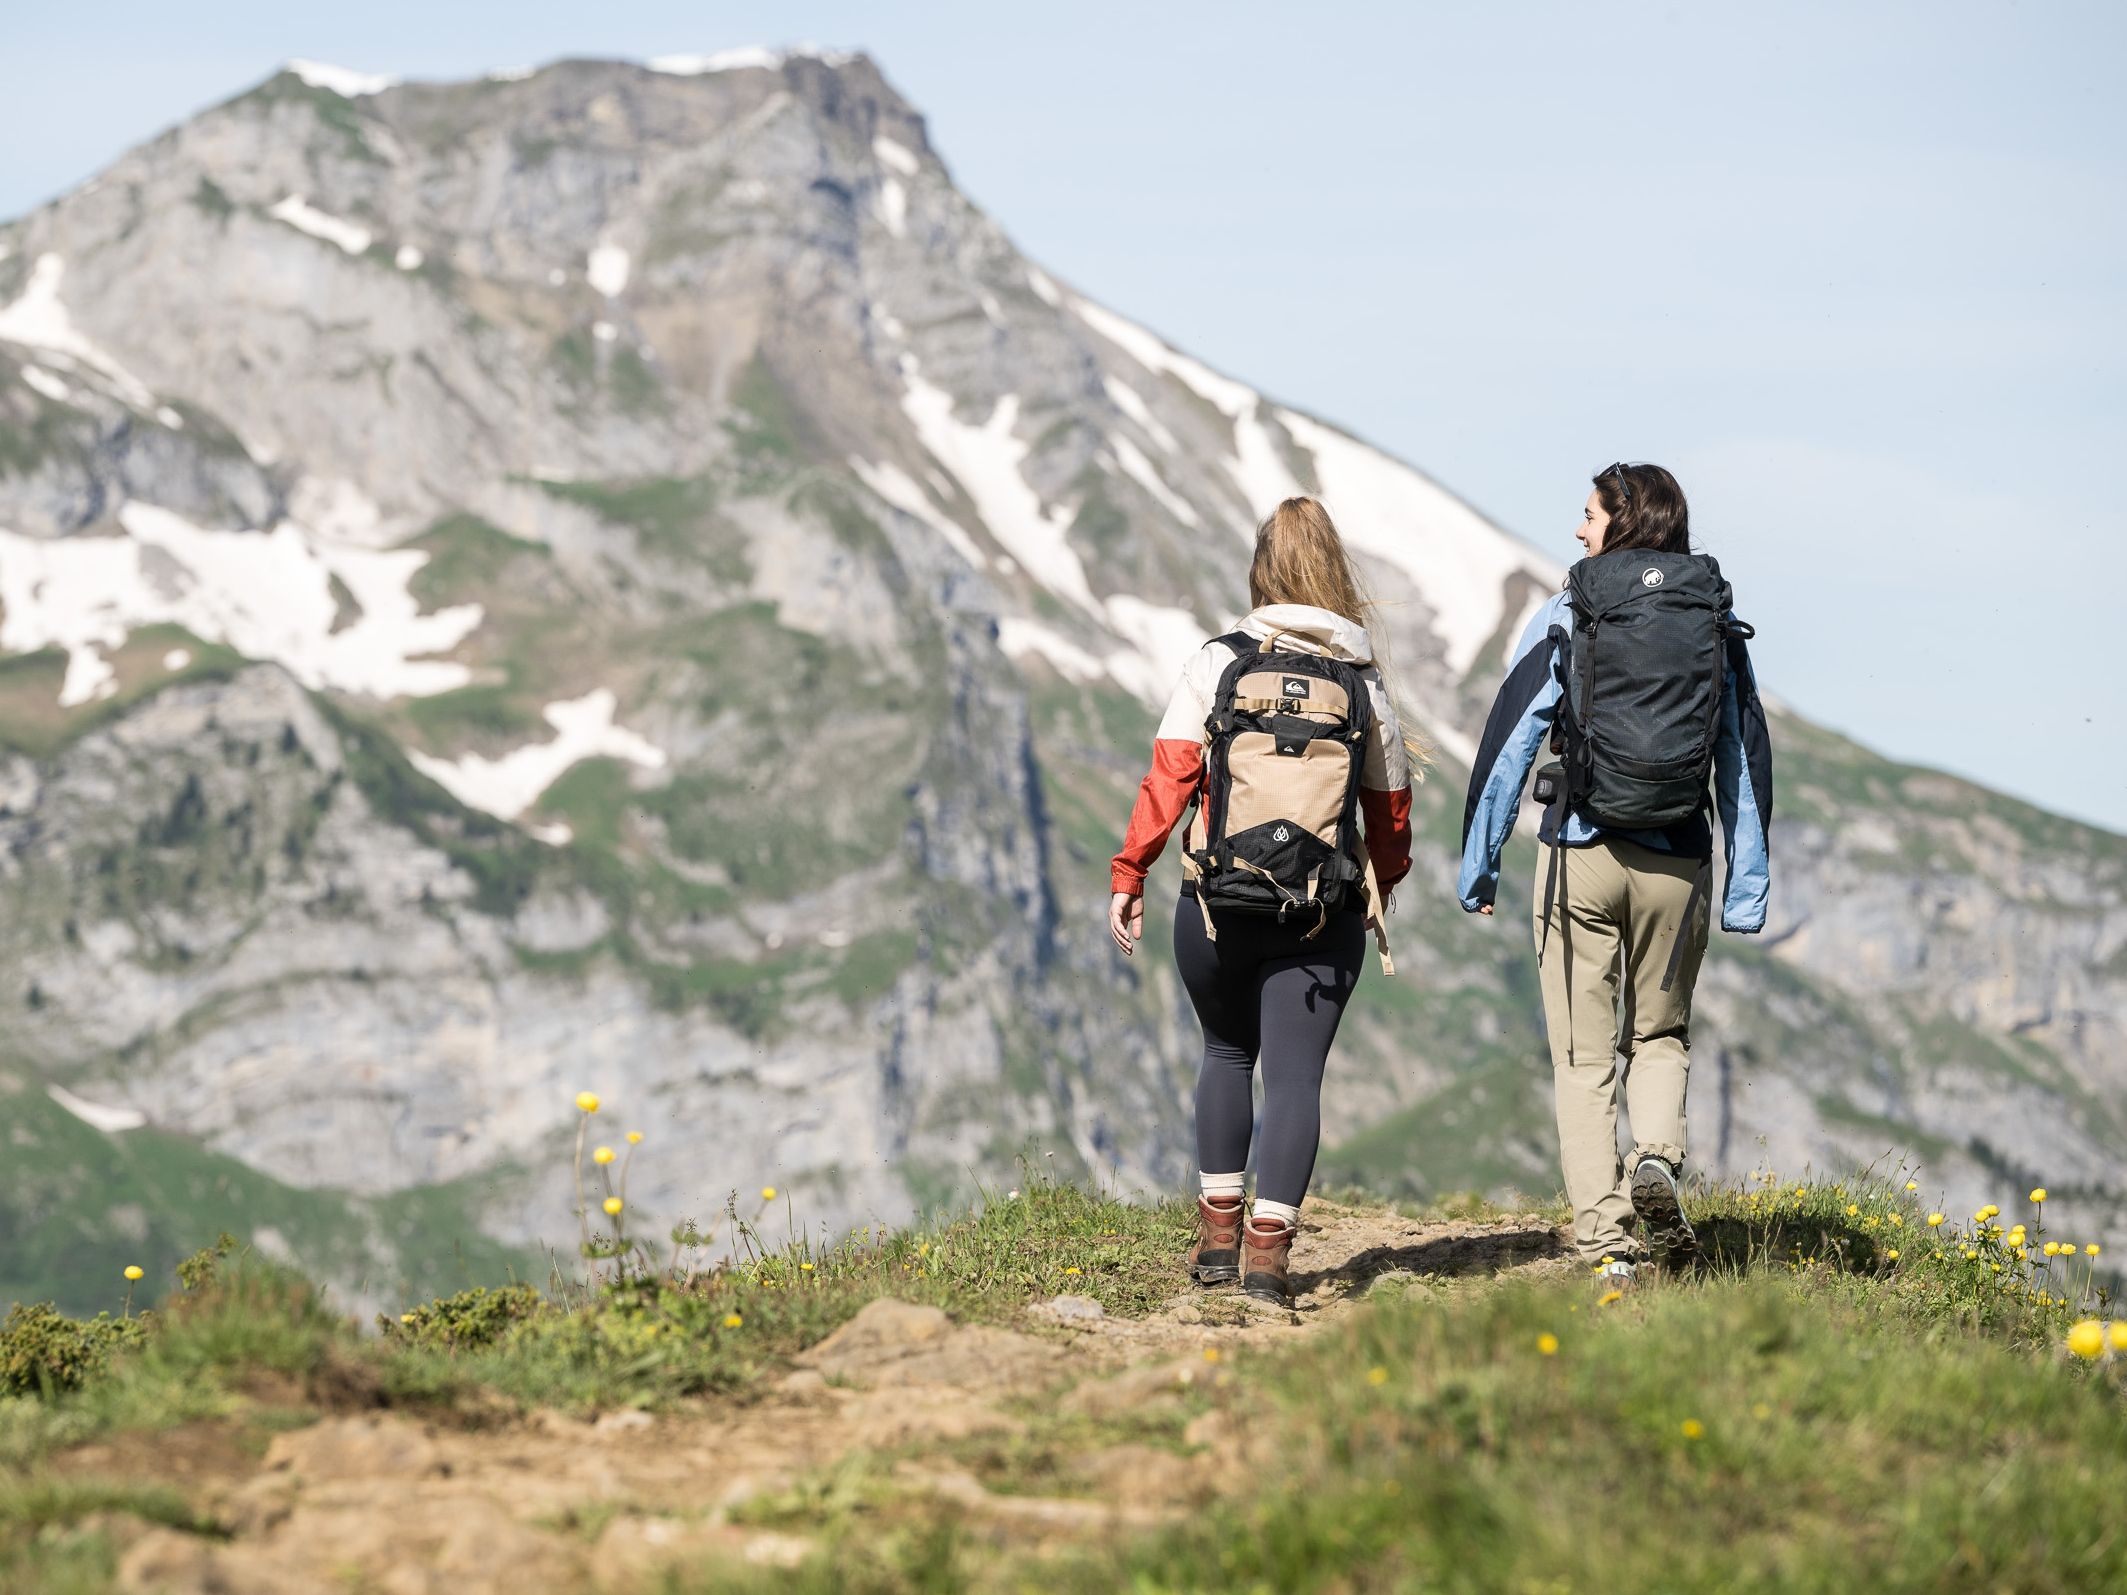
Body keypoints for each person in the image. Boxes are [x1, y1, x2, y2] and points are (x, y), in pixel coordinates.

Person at [1458, 462, 1770, 1289]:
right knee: (1660, 1035)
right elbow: (1741, 755)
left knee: (1583, 1057)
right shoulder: (1710, 615)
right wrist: (1745, 889)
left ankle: (1607, 1243)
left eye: (1587, 513)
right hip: (1677, 862)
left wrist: (1478, 866)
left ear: (1620, 521)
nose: (1576, 528)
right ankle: (1657, 1160)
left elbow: (1510, 739)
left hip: (1579, 859)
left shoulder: (1569, 608)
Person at [1110, 496, 1418, 1309]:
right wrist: (1381, 880)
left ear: (1260, 569)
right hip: (1322, 912)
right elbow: (1389, 812)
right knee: (1293, 1079)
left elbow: (1169, 775)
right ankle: (1268, 1261)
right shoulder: (1360, 681)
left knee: (1224, 1054)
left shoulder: (1218, 661)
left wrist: (1128, 873)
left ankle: (1215, 1242)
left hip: (1214, 903)